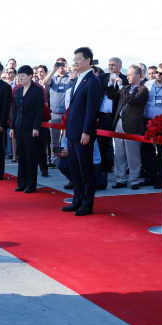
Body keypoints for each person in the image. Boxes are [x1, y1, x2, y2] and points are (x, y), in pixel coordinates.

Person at [61, 47, 104, 216]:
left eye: (79, 58)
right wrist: (67, 128)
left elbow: (92, 110)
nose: (75, 61)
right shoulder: (77, 78)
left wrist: (86, 131)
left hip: (83, 134)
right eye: (74, 59)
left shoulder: (93, 81)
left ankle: (87, 204)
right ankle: (77, 200)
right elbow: (73, 108)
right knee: (75, 169)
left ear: (88, 60)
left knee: (85, 169)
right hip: (72, 131)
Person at [110, 64, 149, 189]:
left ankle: (134, 180)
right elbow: (112, 96)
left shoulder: (142, 89)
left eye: (130, 75)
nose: (127, 77)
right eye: (127, 75)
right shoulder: (126, 87)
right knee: (119, 153)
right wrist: (111, 84)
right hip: (119, 122)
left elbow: (132, 99)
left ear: (138, 76)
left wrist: (121, 87)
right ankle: (121, 178)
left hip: (132, 125)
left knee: (133, 154)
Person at [10, 65, 44, 193]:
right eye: (19, 75)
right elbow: (15, 110)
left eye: (22, 75)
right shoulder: (18, 91)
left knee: (31, 156)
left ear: (30, 76)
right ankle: (21, 183)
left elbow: (39, 111)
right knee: (22, 156)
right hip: (19, 126)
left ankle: (30, 184)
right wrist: (12, 127)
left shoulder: (37, 90)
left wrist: (36, 127)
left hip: (31, 128)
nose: (20, 77)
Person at [99, 58, 125, 173]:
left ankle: (121, 169)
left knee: (119, 145)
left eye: (113, 65)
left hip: (117, 117)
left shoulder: (125, 79)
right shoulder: (102, 77)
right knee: (102, 143)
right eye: (109, 65)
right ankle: (103, 167)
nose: (111, 67)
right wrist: (109, 83)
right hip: (104, 116)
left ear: (119, 66)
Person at [44, 57, 73, 155]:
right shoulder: (53, 78)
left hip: (67, 113)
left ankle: (67, 156)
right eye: (59, 64)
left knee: (68, 137)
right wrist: (53, 69)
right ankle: (54, 158)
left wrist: (69, 71)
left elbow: (75, 82)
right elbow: (45, 82)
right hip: (54, 113)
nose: (61, 67)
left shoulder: (70, 78)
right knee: (54, 139)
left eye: (63, 64)